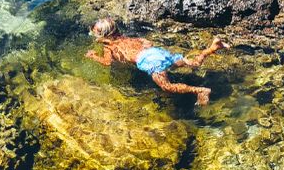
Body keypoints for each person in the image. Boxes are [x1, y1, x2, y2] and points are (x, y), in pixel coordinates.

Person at [86, 17, 229, 105]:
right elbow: (146, 42)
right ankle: (213, 48)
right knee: (191, 63)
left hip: (151, 62)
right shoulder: (125, 37)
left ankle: (200, 91)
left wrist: (93, 56)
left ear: (104, 36)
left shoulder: (108, 46)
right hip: (157, 53)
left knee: (167, 87)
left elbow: (107, 62)